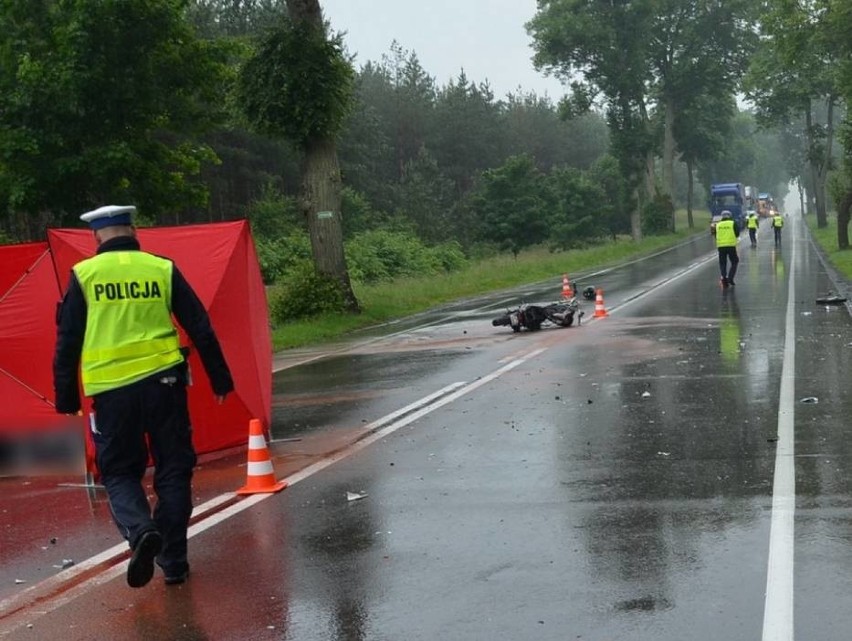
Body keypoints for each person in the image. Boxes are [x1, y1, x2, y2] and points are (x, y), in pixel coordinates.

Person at [53, 205, 234, 588]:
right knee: (173, 468)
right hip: (164, 387)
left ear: (96, 237)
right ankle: (174, 563)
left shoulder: (84, 275)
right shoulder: (160, 268)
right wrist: (221, 380)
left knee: (119, 471)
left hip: (112, 394)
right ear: (133, 230)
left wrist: (66, 398)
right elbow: (199, 325)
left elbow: (67, 340)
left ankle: (140, 531)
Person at [715, 210, 740, 287]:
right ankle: (730, 277)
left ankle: (724, 278)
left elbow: (716, 235)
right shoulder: (733, 223)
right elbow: (737, 234)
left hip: (721, 247)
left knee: (723, 263)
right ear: (730, 216)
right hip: (731, 246)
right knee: (735, 261)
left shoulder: (718, 224)